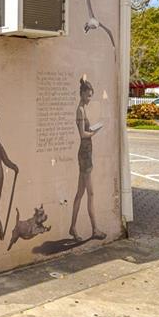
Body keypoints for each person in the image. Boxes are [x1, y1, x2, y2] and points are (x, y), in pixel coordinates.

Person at [69, 77, 106, 241]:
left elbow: (85, 130)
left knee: (80, 193)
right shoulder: (80, 110)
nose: (90, 98)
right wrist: (95, 131)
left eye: (91, 95)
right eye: (88, 95)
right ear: (82, 93)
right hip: (85, 154)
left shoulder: (83, 109)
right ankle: (95, 229)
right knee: (90, 193)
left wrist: (91, 128)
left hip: (86, 153)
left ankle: (73, 227)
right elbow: (83, 135)